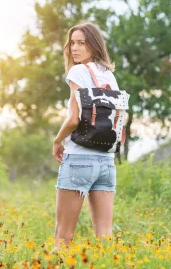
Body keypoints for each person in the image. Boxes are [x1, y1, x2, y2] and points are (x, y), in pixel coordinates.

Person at [52, 21, 119, 248]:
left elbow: (74, 118)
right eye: (72, 43)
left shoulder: (78, 71)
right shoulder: (108, 75)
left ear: (94, 45)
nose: (75, 48)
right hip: (106, 162)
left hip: (79, 158)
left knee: (63, 237)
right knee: (105, 238)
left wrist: (57, 140)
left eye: (82, 43)